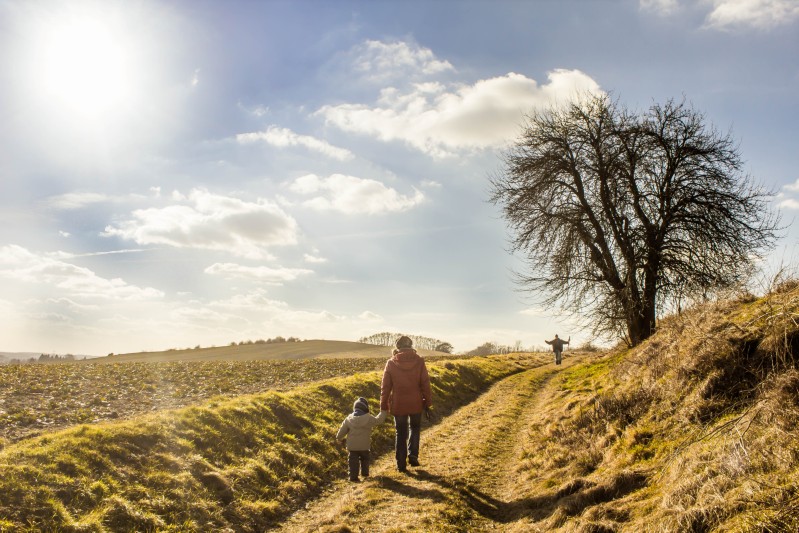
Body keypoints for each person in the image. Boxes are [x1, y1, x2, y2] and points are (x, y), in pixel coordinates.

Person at [380, 335, 433, 473]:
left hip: (398, 403)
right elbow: (425, 383)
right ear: (410, 346)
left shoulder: (391, 363)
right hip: (416, 402)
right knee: (415, 428)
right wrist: (428, 402)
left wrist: (383, 405)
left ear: (397, 347)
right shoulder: (419, 361)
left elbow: (385, 387)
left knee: (400, 432)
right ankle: (413, 455)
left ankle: (401, 464)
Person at [335, 396, 388, 482]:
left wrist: (339, 437)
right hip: (364, 446)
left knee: (353, 461)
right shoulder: (368, 418)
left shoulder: (348, 419)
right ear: (365, 408)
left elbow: (341, 432)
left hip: (352, 446)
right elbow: (379, 420)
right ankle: (365, 473)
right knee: (365, 459)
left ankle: (353, 477)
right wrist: (383, 411)